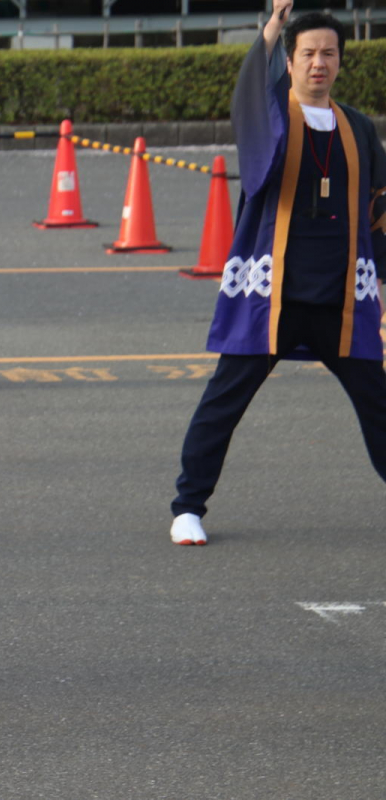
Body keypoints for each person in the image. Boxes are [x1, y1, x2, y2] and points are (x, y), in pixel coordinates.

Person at [169, 3, 386, 546]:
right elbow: (251, 102)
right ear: (287, 62)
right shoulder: (271, 116)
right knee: (225, 400)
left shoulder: (359, 128)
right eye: (307, 53)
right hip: (273, 293)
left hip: (341, 297)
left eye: (329, 53)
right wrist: (271, 25)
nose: (319, 63)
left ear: (340, 62)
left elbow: (380, 213)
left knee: (378, 403)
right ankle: (188, 507)